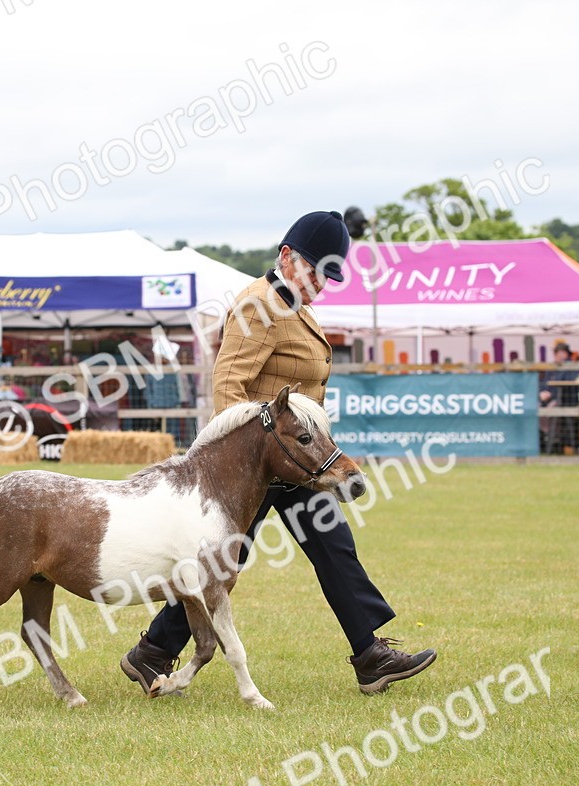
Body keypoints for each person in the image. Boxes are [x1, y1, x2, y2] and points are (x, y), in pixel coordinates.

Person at [120, 210, 436, 697]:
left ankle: (369, 656)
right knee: (226, 562)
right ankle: (152, 653)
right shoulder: (259, 305)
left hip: (291, 464)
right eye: (316, 270)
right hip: (256, 463)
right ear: (286, 256)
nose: (322, 284)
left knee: (327, 548)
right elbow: (229, 384)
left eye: (330, 276)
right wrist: (240, 461)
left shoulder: (294, 304)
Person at [539, 342, 579, 454]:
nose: (560, 356)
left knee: (552, 409)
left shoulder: (571, 367)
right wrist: (542, 393)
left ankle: (552, 438)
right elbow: (545, 383)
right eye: (558, 353)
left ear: (566, 354)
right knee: (537, 408)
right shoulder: (551, 367)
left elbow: (567, 384)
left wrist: (551, 395)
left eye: (562, 353)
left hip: (565, 400)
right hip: (549, 399)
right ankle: (546, 437)